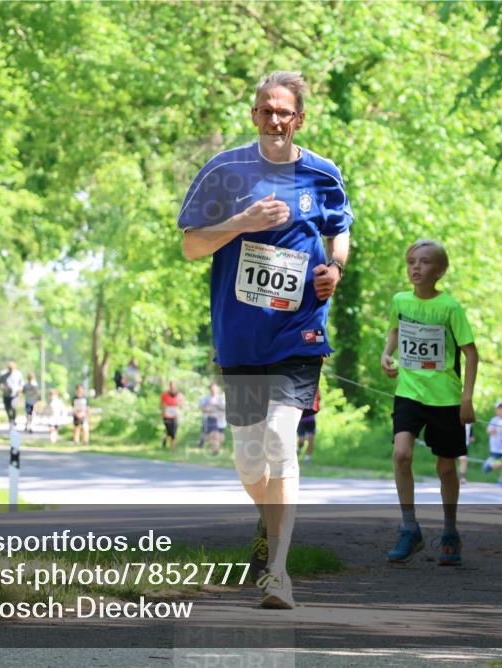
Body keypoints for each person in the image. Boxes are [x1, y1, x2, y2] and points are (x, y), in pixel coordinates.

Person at [179, 71, 352, 608]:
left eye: (284, 111)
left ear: (299, 117)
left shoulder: (322, 174)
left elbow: (338, 231)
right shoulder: (224, 171)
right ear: (253, 115)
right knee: (249, 460)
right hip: (240, 336)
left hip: (296, 332)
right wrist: (242, 221)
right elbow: (190, 246)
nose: (275, 119)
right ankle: (267, 520)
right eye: (265, 110)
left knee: (281, 438)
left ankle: (278, 572)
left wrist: (335, 269)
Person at [381, 239, 479, 567]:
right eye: (411, 261)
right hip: (409, 392)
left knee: (446, 468)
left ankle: (450, 532)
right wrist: (387, 353)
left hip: (445, 398)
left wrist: (467, 399)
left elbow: (470, 352)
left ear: (439, 270)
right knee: (401, 454)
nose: (416, 267)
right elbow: (395, 331)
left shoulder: (450, 307)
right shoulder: (400, 300)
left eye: (423, 262)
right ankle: (410, 529)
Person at [484, 400, 502, 487]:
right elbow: (488, 430)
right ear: (496, 410)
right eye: (499, 408)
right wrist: (494, 430)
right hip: (495, 446)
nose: (501, 410)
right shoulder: (494, 420)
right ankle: (489, 465)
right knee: (497, 464)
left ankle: (501, 479)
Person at [198, 383, 227, 456]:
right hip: (210, 419)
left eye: (215, 389)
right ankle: (215, 452)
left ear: (218, 389)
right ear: (209, 390)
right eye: (212, 389)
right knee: (215, 435)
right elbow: (202, 408)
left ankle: (203, 439)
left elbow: (225, 409)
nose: (213, 391)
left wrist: (216, 405)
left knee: (221, 439)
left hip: (221, 421)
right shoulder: (206, 398)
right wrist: (210, 410)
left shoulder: (221, 399)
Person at [0, 361, 24, 430]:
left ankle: (13, 419)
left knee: (13, 407)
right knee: (7, 408)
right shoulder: (3, 373)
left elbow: (21, 384)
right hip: (6, 394)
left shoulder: (18, 374)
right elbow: (0, 383)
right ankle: (10, 420)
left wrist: (20, 390)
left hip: (15, 394)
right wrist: (3, 387)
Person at [160, 382, 185, 450]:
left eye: (174, 387)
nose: (172, 388)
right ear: (169, 387)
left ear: (176, 387)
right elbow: (161, 405)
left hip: (175, 416)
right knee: (171, 433)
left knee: (172, 432)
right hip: (167, 416)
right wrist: (163, 412)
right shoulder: (165, 395)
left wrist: (178, 404)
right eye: (171, 387)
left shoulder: (180, 395)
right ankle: (173, 449)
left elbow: (182, 406)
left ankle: (165, 439)